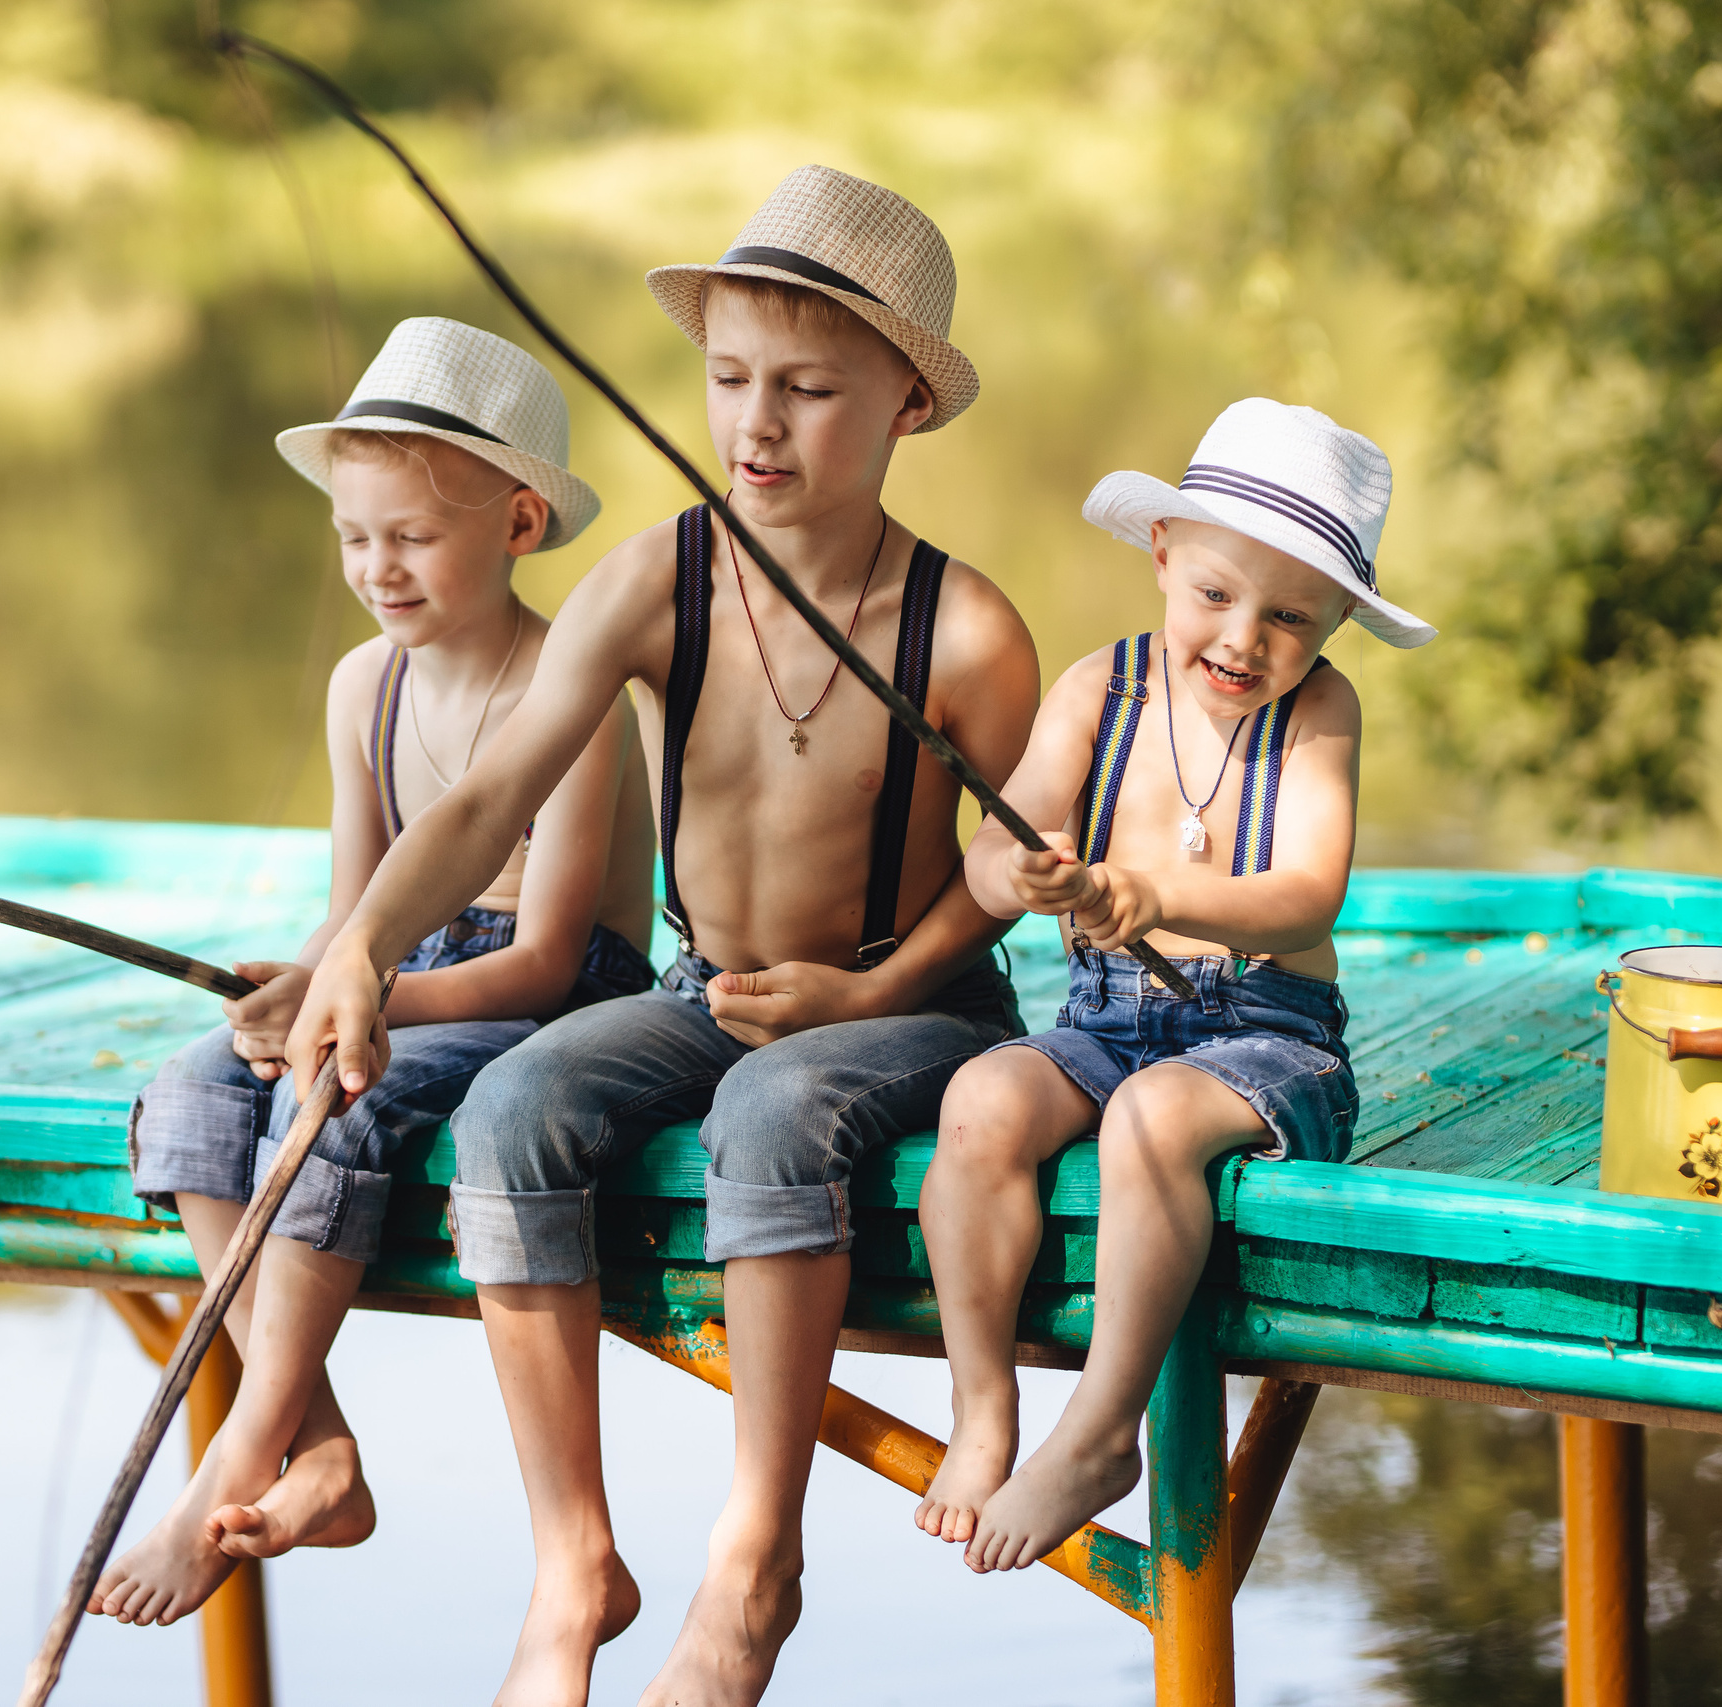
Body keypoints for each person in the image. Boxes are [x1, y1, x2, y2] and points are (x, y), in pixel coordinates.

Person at [285, 166, 1040, 1706]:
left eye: (807, 389)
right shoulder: (656, 580)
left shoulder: (964, 630)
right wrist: (363, 942)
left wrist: (874, 990)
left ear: (907, 403)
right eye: (730, 378)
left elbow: (1018, 866)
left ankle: (757, 1555)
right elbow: (489, 790)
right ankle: (574, 1556)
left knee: (774, 1107)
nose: (756, 423)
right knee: (514, 1106)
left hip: (915, 1001)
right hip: (715, 985)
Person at [92, 317, 660, 1628]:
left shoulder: (571, 688)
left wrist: (363, 1002)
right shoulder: (365, 686)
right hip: (396, 976)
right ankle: (320, 1446)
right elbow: (357, 912)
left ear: (519, 523)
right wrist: (296, 987)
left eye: (408, 535)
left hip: (549, 997)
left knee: (338, 1090)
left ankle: (239, 1449)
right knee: (195, 1090)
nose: (374, 566)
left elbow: (548, 961)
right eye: (354, 536)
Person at [910, 398, 1436, 1572]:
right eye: (1215, 594)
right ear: (1161, 554)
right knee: (980, 1103)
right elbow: (991, 854)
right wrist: (1022, 872)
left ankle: (1101, 1432)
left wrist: (1158, 893)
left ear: (1335, 621)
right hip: (1103, 1019)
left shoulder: (1320, 711)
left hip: (1265, 1035)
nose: (1243, 640)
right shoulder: (1098, 690)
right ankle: (982, 1404)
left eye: (1289, 616)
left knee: (1151, 1120)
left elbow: (1305, 896)